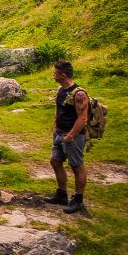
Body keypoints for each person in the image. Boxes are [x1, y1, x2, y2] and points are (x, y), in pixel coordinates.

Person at [45, 60, 89, 213]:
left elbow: (83, 118)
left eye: (55, 73)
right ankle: (62, 194)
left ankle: (78, 199)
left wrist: (71, 135)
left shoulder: (79, 94)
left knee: (77, 166)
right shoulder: (60, 90)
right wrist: (56, 126)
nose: (53, 75)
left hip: (73, 136)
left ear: (62, 75)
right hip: (59, 133)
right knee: (55, 161)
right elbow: (59, 111)